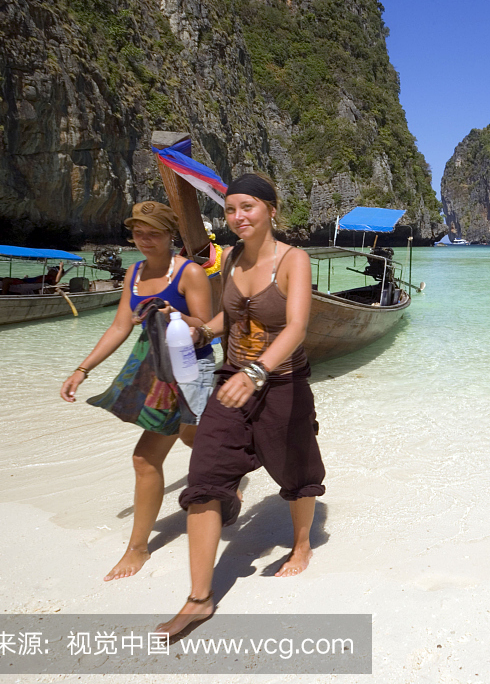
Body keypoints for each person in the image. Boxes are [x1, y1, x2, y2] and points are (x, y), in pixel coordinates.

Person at [157, 173, 324, 637]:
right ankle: (198, 598)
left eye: (247, 207)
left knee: (295, 471)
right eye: (230, 210)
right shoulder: (228, 258)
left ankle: (303, 544)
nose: (237, 217)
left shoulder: (294, 260)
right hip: (232, 381)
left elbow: (296, 328)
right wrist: (199, 330)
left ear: (271, 209)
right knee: (205, 475)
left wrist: (258, 372)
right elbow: (228, 317)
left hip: (282, 381)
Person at [60, 201, 215, 581]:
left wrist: (174, 315)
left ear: (169, 235)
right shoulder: (134, 272)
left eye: (154, 233)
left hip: (192, 368)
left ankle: (227, 474)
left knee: (199, 442)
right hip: (156, 371)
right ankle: (138, 547)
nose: (145, 240)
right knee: (145, 459)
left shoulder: (190, 273)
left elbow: (208, 324)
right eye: (138, 233)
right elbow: (119, 327)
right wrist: (82, 369)